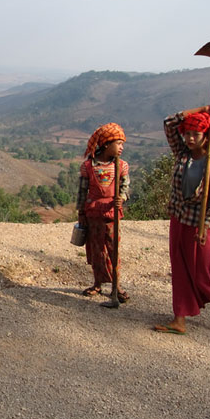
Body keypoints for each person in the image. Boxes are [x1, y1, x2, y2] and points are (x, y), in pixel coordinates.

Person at [154, 105, 210, 335]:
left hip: (201, 224)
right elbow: (169, 122)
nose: (189, 138)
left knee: (201, 271)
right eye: (187, 134)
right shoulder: (182, 154)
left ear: (206, 136)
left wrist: (205, 226)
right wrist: (204, 109)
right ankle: (179, 318)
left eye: (195, 134)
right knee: (179, 268)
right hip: (179, 218)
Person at [77, 122, 130, 307]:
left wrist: (121, 198)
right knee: (96, 250)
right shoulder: (88, 166)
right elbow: (82, 192)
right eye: (119, 144)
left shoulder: (121, 166)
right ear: (107, 144)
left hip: (111, 214)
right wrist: (81, 213)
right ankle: (98, 283)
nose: (122, 148)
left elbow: (124, 187)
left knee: (113, 250)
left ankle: (116, 287)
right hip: (93, 214)